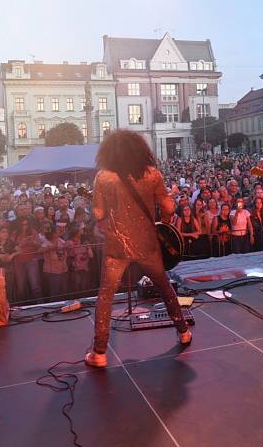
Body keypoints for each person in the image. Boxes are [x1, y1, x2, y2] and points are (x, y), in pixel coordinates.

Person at [86, 130, 190, 368]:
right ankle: (183, 331)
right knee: (164, 286)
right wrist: (164, 219)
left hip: (116, 245)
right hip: (147, 243)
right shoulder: (152, 174)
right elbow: (169, 208)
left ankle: (99, 352)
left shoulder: (103, 177)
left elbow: (99, 213)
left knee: (106, 294)